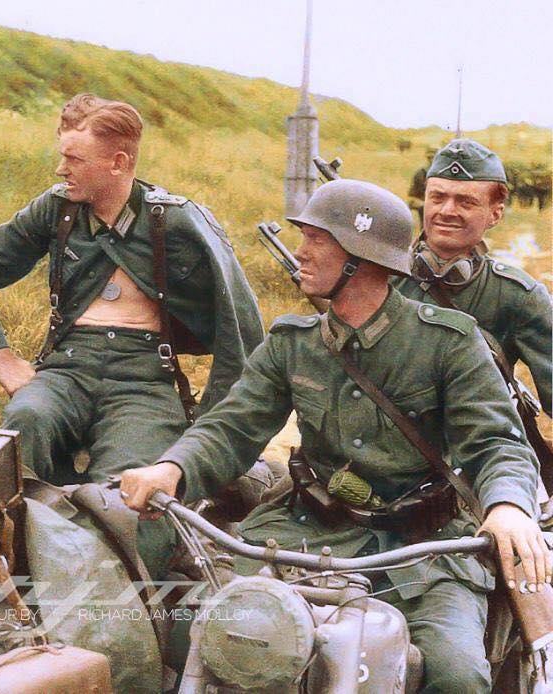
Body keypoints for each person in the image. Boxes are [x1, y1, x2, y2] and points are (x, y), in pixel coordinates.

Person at [120, 179, 550, 692]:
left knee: (456, 675)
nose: (299, 252)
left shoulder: (449, 343)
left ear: (361, 259)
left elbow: (497, 444)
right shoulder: (292, 343)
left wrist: (506, 506)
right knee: (189, 636)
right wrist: (174, 468)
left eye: (316, 240)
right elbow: (231, 427)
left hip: (423, 551)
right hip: (303, 533)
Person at [0, 93, 264, 578]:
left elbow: (240, 328)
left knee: (132, 492)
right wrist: (2, 358)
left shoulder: (176, 221)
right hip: (66, 366)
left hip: (144, 376)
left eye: (73, 159)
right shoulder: (57, 211)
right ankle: (10, 570)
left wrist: (207, 434)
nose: (59, 169)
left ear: (118, 163)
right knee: (24, 422)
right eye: (62, 155)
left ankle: (119, 593)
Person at [393, 138, 551, 417]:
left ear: (495, 214)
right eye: (438, 197)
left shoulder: (519, 297)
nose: (446, 211)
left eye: (465, 201)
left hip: (477, 453)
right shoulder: (383, 278)